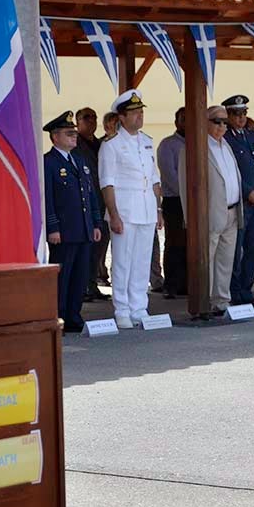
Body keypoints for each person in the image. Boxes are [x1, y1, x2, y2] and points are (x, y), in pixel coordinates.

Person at [98, 89, 163, 328]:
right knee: (123, 261)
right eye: (134, 113)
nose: (139, 116)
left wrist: (158, 209)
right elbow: (107, 182)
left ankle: (139, 307)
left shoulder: (147, 141)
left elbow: (154, 179)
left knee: (142, 260)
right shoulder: (111, 145)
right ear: (122, 117)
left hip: (146, 209)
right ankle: (122, 309)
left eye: (141, 112)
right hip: (124, 210)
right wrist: (114, 214)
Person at [181, 106, 244, 315]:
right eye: (217, 121)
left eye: (225, 122)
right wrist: (190, 218)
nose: (222, 126)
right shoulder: (195, 147)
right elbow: (185, 185)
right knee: (206, 260)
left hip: (232, 211)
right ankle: (203, 302)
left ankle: (221, 301)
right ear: (205, 122)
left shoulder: (225, 144)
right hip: (209, 214)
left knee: (225, 260)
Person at [43, 111, 102, 333]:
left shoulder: (79, 160)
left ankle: (74, 316)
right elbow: (47, 198)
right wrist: (53, 227)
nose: (74, 137)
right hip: (64, 231)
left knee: (79, 276)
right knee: (62, 277)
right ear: (55, 137)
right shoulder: (49, 162)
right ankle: (58, 317)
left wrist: (96, 222)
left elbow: (90, 193)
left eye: (74, 133)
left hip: (84, 228)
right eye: (69, 134)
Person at [222, 94, 254, 307]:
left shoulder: (252, 136)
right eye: (235, 113)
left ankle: (246, 290)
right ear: (228, 115)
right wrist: (249, 192)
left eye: (243, 113)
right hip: (242, 202)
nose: (240, 118)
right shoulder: (226, 139)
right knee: (236, 249)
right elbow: (231, 172)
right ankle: (233, 292)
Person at [76, 106, 110, 299]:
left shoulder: (101, 144)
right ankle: (82, 288)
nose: (91, 121)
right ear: (77, 123)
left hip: (103, 202)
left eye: (94, 117)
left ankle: (92, 285)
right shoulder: (75, 145)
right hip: (86, 203)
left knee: (99, 247)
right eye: (86, 118)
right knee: (86, 248)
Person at [157, 108, 187, 298]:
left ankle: (188, 283)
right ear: (176, 122)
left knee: (192, 244)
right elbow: (169, 176)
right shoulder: (168, 145)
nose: (187, 123)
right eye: (183, 119)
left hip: (196, 201)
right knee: (175, 243)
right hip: (175, 201)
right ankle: (172, 285)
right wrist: (187, 195)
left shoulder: (199, 141)